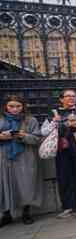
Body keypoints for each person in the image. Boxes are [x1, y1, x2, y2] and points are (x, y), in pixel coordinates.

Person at [43, 89, 76, 218]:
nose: (71, 98)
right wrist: (55, 121)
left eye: (73, 96)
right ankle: (68, 206)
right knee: (64, 176)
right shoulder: (53, 114)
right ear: (61, 99)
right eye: (68, 96)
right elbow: (44, 132)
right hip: (62, 149)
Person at [0, 95, 43, 226]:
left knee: (26, 185)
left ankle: (26, 213)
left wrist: (24, 136)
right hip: (4, 157)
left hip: (25, 157)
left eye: (18, 106)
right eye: (11, 106)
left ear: (23, 106)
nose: (15, 109)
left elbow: (37, 139)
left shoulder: (30, 120)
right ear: (5, 107)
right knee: (5, 185)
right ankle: (6, 214)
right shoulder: (1, 120)